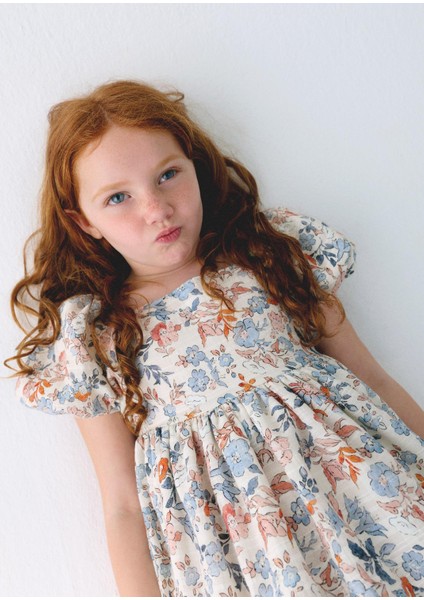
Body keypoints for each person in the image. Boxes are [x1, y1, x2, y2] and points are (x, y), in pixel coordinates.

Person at [7, 80, 424, 598]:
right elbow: (122, 504)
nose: (156, 208)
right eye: (118, 197)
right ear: (83, 222)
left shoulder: (271, 256)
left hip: (365, 503)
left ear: (196, 168)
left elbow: (371, 378)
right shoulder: (95, 339)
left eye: (168, 175)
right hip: (247, 560)